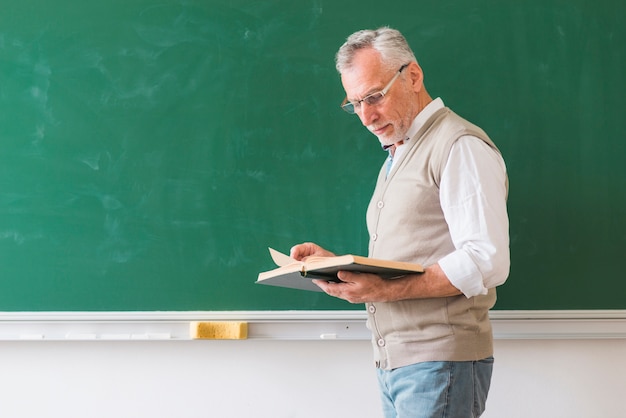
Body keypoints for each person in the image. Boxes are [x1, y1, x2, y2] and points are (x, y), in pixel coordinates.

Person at [290, 27, 510, 418]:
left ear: (412, 76)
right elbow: (412, 251)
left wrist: (384, 291)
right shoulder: (397, 154)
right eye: (355, 103)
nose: (366, 116)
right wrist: (333, 265)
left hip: (441, 363)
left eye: (374, 97)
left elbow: (486, 260)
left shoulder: (459, 146)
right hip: (400, 366)